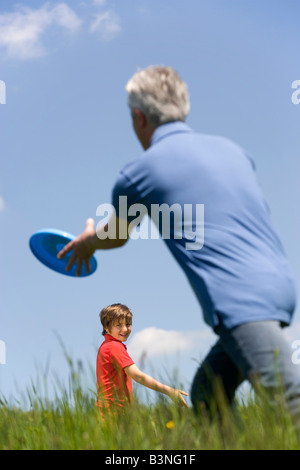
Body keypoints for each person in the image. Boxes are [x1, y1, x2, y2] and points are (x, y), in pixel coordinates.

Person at [57, 65, 300, 422]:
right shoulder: (232, 151)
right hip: (280, 285)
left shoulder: (138, 174)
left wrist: (87, 243)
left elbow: (116, 235)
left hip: (239, 300)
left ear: (139, 118)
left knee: (289, 398)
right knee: (206, 397)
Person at [96, 302, 188, 412]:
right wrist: (169, 391)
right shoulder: (114, 347)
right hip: (114, 412)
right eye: (118, 325)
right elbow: (137, 375)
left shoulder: (106, 346)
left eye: (128, 324)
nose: (125, 329)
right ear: (106, 327)